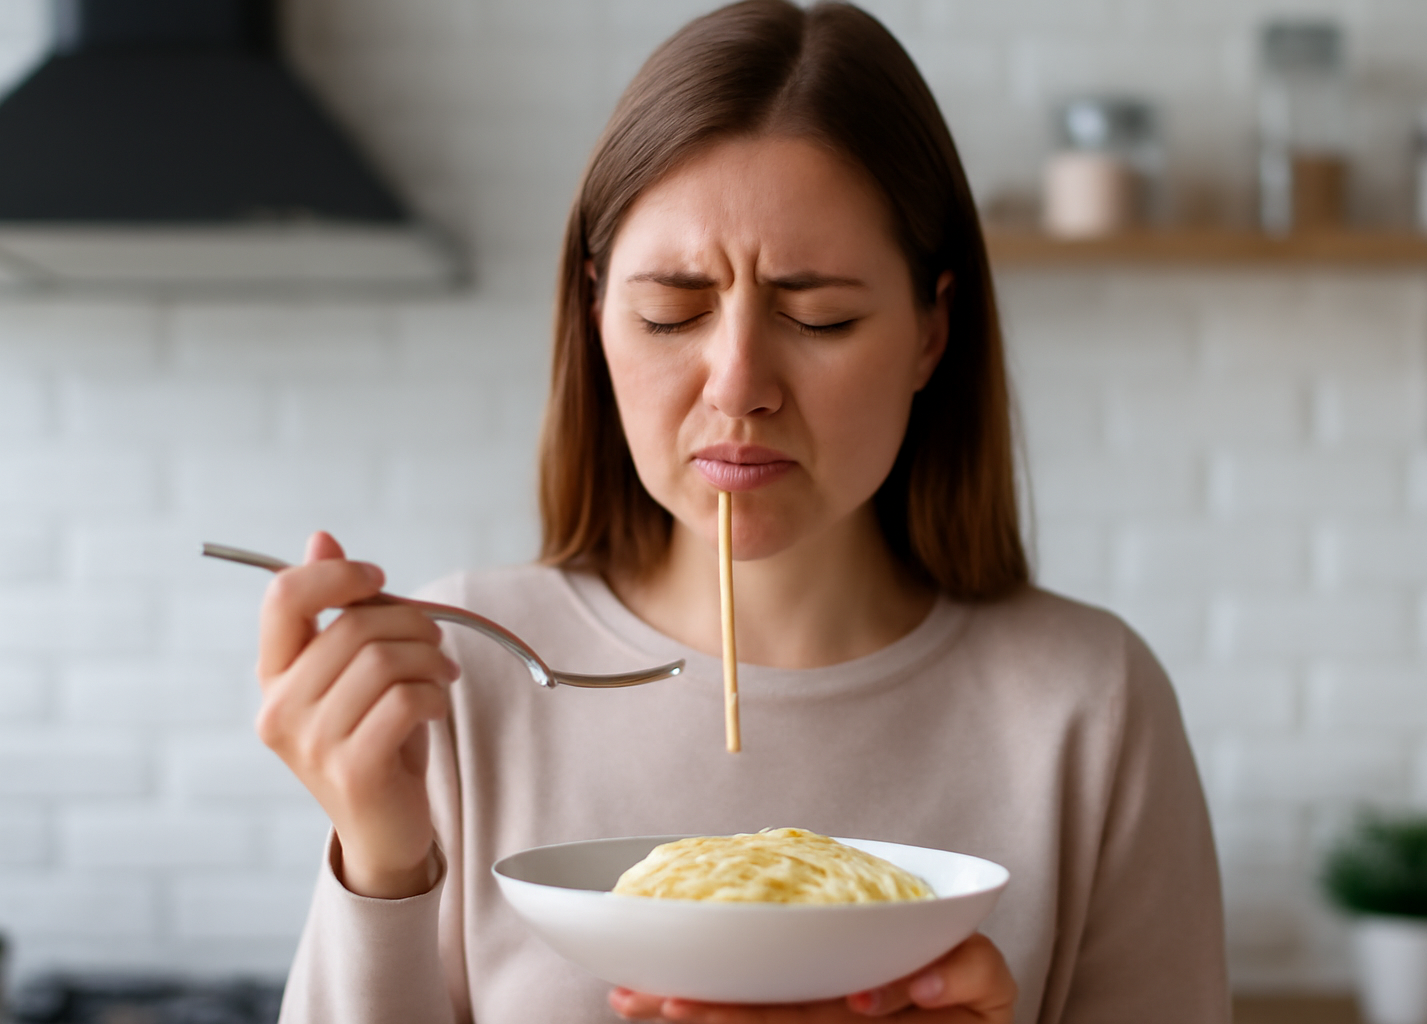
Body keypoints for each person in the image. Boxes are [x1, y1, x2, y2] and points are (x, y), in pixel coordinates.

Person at [259, 2, 1229, 1022]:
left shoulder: (1089, 705)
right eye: (670, 313)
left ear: (932, 332)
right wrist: (378, 855)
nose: (737, 387)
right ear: (595, 316)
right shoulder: (464, 672)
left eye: (820, 316)